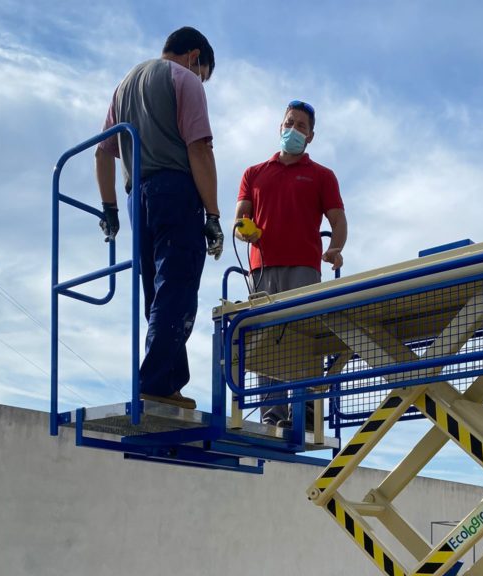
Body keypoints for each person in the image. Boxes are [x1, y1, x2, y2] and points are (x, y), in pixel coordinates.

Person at [94, 27, 225, 410]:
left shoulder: (124, 85)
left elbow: (103, 153)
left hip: (137, 197)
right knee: (179, 286)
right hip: (174, 190)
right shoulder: (184, 79)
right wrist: (213, 214)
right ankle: (153, 382)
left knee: (158, 292)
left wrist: (110, 209)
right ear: (194, 57)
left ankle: (167, 383)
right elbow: (199, 149)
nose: (202, 81)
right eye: (204, 73)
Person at [234, 101, 347, 427]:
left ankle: (307, 414)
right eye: (289, 123)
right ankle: (273, 416)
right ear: (279, 127)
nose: (293, 130)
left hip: (304, 268)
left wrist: (335, 248)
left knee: (305, 338)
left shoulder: (321, 175)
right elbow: (241, 218)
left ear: (311, 136)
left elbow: (338, 220)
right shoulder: (254, 174)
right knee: (266, 342)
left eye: (301, 126)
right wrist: (245, 230)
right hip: (262, 269)